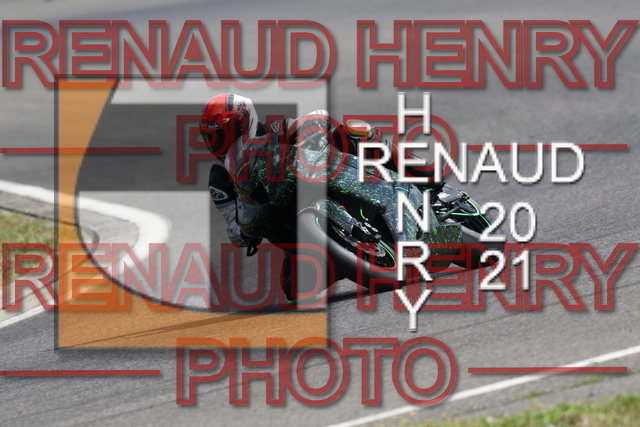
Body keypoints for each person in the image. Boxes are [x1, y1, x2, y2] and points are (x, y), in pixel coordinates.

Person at [200, 93, 437, 303]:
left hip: (321, 183)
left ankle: (419, 171)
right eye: (214, 137)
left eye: (227, 132)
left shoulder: (274, 130)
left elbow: (312, 123)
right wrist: (242, 232)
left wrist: (312, 130)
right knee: (294, 288)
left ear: (245, 122)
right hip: (290, 227)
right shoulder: (219, 178)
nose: (222, 141)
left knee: (351, 132)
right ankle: (343, 257)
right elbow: (232, 220)